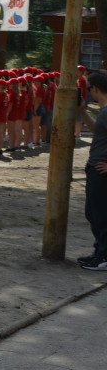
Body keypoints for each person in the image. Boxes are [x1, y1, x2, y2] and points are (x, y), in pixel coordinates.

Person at [77, 72, 107, 270]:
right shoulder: (103, 111)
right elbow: (98, 130)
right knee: (93, 213)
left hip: (102, 170)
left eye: (89, 89)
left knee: (101, 215)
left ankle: (104, 256)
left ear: (95, 88)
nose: (89, 92)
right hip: (95, 167)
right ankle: (99, 251)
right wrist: (83, 112)